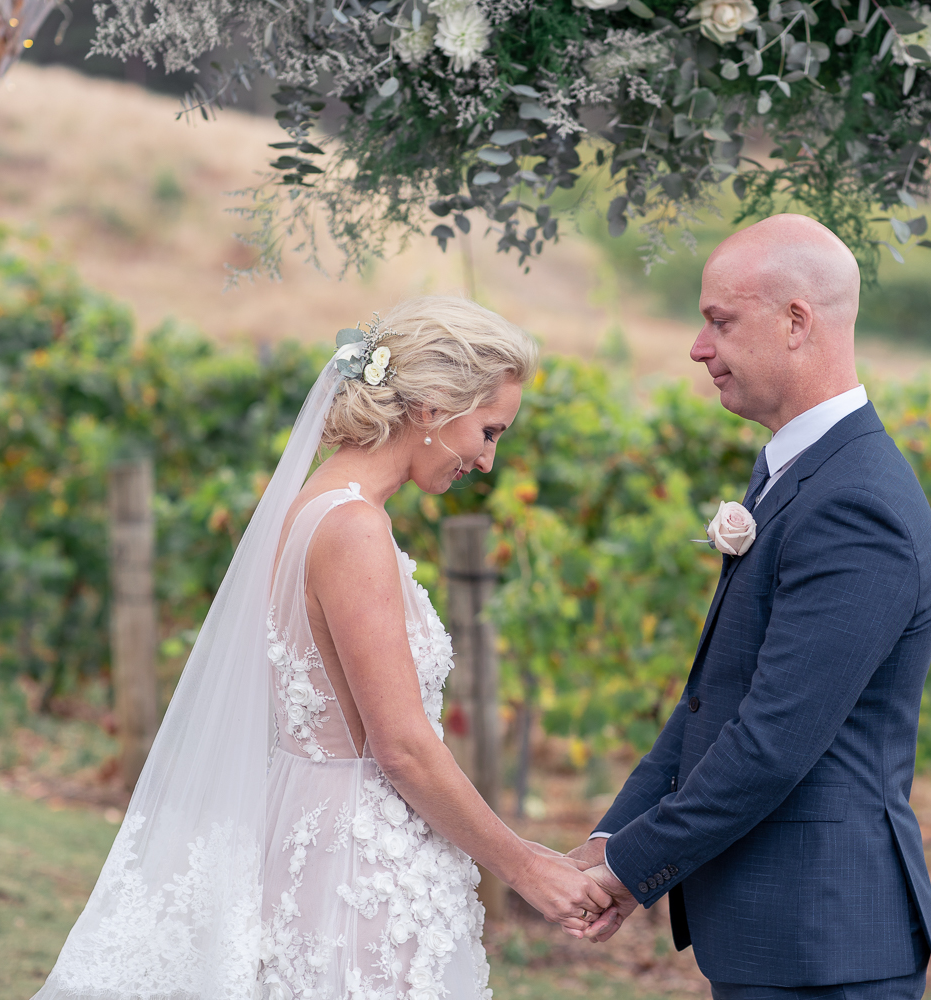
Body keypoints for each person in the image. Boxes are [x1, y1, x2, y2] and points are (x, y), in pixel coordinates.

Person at [34, 297, 611, 1000]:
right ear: (432, 406)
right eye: (488, 432)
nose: (488, 461)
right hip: (358, 868)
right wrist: (523, 866)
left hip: (317, 827)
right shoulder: (354, 529)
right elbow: (401, 748)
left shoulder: (314, 505)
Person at [571, 215, 931, 1000]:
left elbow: (772, 741)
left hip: (824, 944)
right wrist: (613, 837)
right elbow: (714, 698)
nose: (697, 348)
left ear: (795, 322)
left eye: (720, 321)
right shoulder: (801, 472)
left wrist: (630, 867)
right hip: (781, 936)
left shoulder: (856, 506)